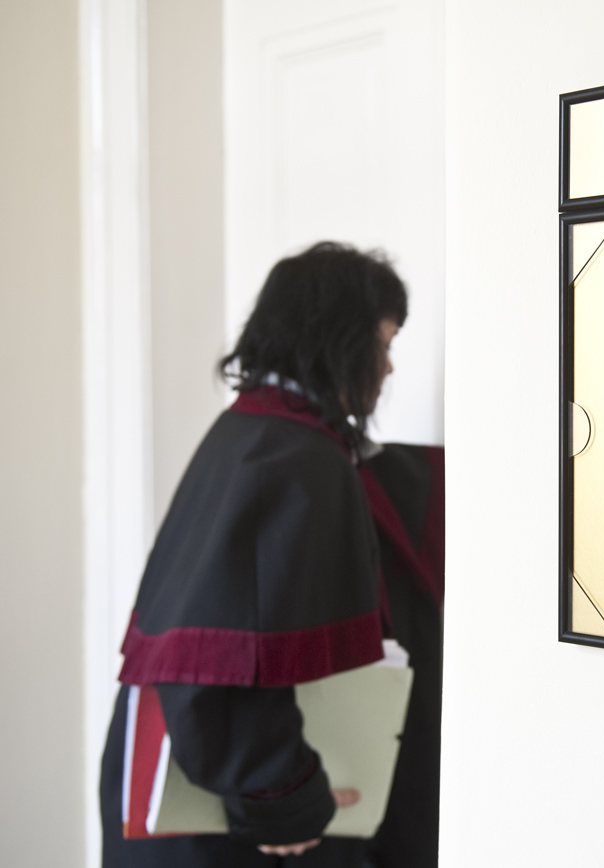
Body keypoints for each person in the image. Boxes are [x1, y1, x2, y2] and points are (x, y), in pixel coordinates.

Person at [99, 241, 442, 866]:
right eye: (384, 344)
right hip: (223, 816)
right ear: (341, 339)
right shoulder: (297, 458)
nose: (390, 369)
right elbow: (216, 655)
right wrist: (281, 793)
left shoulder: (250, 432)